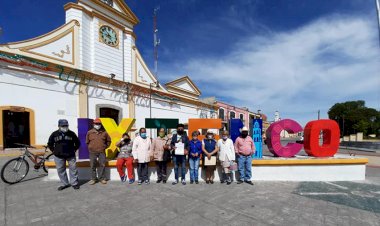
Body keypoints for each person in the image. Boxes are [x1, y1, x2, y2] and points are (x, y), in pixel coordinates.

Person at [47, 119, 81, 190]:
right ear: (59, 126)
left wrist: (74, 149)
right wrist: (54, 151)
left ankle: (74, 183)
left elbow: (77, 143)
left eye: (66, 125)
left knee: (73, 169)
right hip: (59, 156)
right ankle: (64, 183)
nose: (65, 127)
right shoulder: (54, 134)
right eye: (63, 126)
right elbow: (50, 143)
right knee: (61, 170)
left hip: (70, 155)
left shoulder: (72, 134)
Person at [86, 118, 111, 185]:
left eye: (99, 124)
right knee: (92, 165)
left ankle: (102, 178)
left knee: (102, 165)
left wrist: (105, 147)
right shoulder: (89, 132)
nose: (97, 125)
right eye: (96, 123)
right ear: (93, 124)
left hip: (101, 152)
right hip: (92, 152)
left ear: (101, 124)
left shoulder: (104, 132)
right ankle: (93, 179)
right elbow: (87, 142)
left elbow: (109, 141)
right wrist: (90, 147)